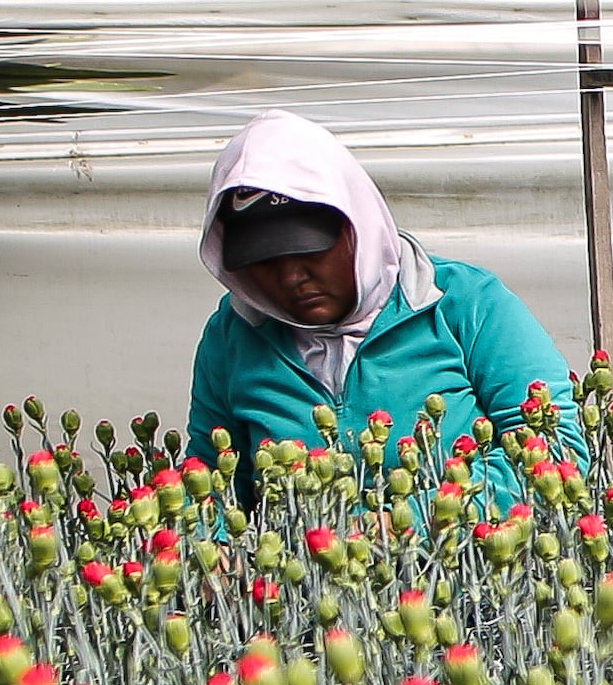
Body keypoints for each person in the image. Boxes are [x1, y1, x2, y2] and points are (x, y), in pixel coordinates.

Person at [180, 111, 576, 510]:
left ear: (358, 227)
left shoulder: (467, 303)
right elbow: (210, 483)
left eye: (307, 249)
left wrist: (406, 527)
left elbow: (558, 453)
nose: (290, 277)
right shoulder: (232, 335)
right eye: (263, 261)